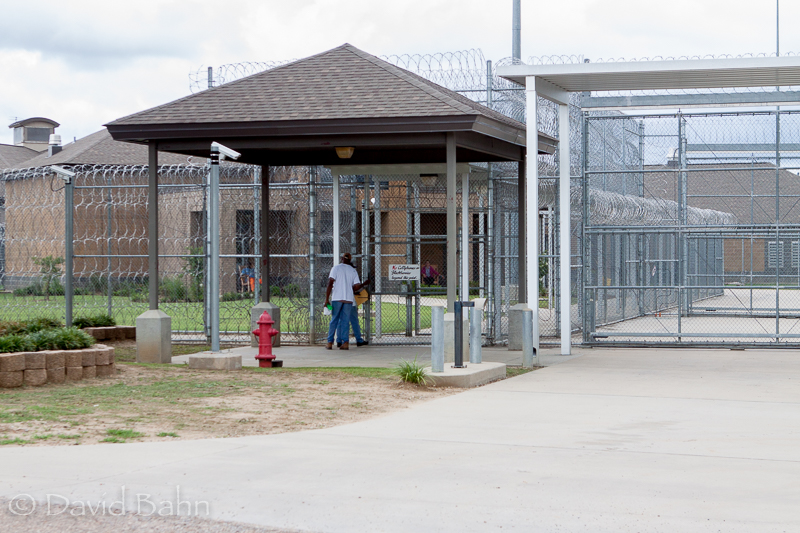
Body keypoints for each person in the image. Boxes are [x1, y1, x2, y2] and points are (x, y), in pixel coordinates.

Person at [324, 253, 368, 350]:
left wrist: (327, 299)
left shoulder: (335, 268)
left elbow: (330, 283)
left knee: (334, 320)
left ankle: (330, 342)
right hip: (348, 299)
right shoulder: (352, 270)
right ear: (350, 260)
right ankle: (345, 342)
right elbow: (356, 286)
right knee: (345, 321)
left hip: (337, 298)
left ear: (342, 259)